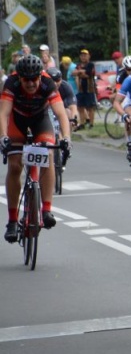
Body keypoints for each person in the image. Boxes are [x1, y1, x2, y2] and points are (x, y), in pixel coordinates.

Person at [0, 54, 72, 242]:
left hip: (41, 121)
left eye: (34, 79)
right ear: (20, 77)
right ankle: (13, 221)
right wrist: (3, 137)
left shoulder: (48, 83)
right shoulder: (12, 83)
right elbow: (3, 112)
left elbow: (61, 114)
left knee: (47, 156)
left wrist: (66, 138)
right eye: (26, 80)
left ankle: (46, 211)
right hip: (17, 122)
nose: (31, 83)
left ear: (40, 76)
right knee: (15, 166)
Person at [73, 48, 98, 130]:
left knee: (90, 107)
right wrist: (81, 72)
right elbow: (73, 73)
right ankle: (82, 123)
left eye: (85, 55)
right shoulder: (78, 65)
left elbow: (89, 74)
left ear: (89, 56)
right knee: (80, 107)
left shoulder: (91, 65)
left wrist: (80, 72)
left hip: (89, 89)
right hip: (80, 89)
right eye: (82, 55)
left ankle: (91, 124)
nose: (83, 57)